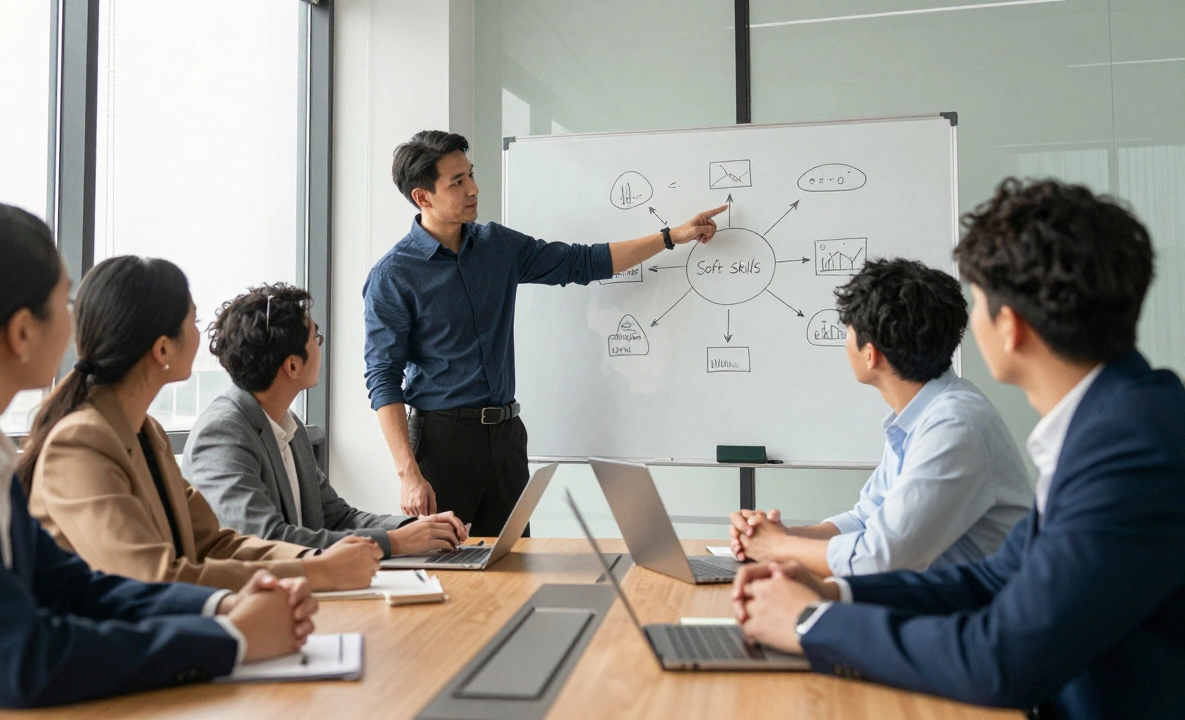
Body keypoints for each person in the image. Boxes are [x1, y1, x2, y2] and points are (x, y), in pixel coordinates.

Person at [731, 179, 1185, 720]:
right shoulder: (1115, 420)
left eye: (977, 303)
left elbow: (1003, 661)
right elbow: (994, 580)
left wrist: (811, 624)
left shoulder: (1132, 449)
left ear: (1010, 327)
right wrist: (835, 599)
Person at [0, 203, 317, 720]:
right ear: (21, 332)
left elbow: (74, 588)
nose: (79, 320)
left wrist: (222, 607)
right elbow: (21, 657)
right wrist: (228, 639)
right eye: (67, 299)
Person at [364, 129, 727, 534]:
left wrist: (672, 236)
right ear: (422, 197)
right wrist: (407, 474)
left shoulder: (496, 246)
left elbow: (582, 262)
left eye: (471, 175)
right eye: (458, 182)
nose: (473, 188)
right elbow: (383, 378)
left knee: (512, 567)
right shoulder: (394, 275)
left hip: (505, 439)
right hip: (441, 444)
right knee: (444, 573)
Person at [21, 256, 382, 593]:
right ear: (163, 350)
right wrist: (313, 572)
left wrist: (316, 562)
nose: (204, 335)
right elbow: (154, 576)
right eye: (192, 321)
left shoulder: (148, 432)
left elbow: (215, 542)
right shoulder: (81, 442)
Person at [729, 258, 1032, 576]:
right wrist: (780, 537)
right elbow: (865, 519)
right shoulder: (922, 414)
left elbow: (880, 557)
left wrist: (776, 548)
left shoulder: (955, 426)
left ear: (870, 353)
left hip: (973, 617)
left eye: (848, 330)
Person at [183, 283, 469, 557]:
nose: (321, 347)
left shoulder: (287, 424)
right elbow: (265, 539)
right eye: (316, 339)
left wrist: (418, 530)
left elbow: (337, 518)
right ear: (293, 365)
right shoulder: (222, 432)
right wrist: (394, 542)